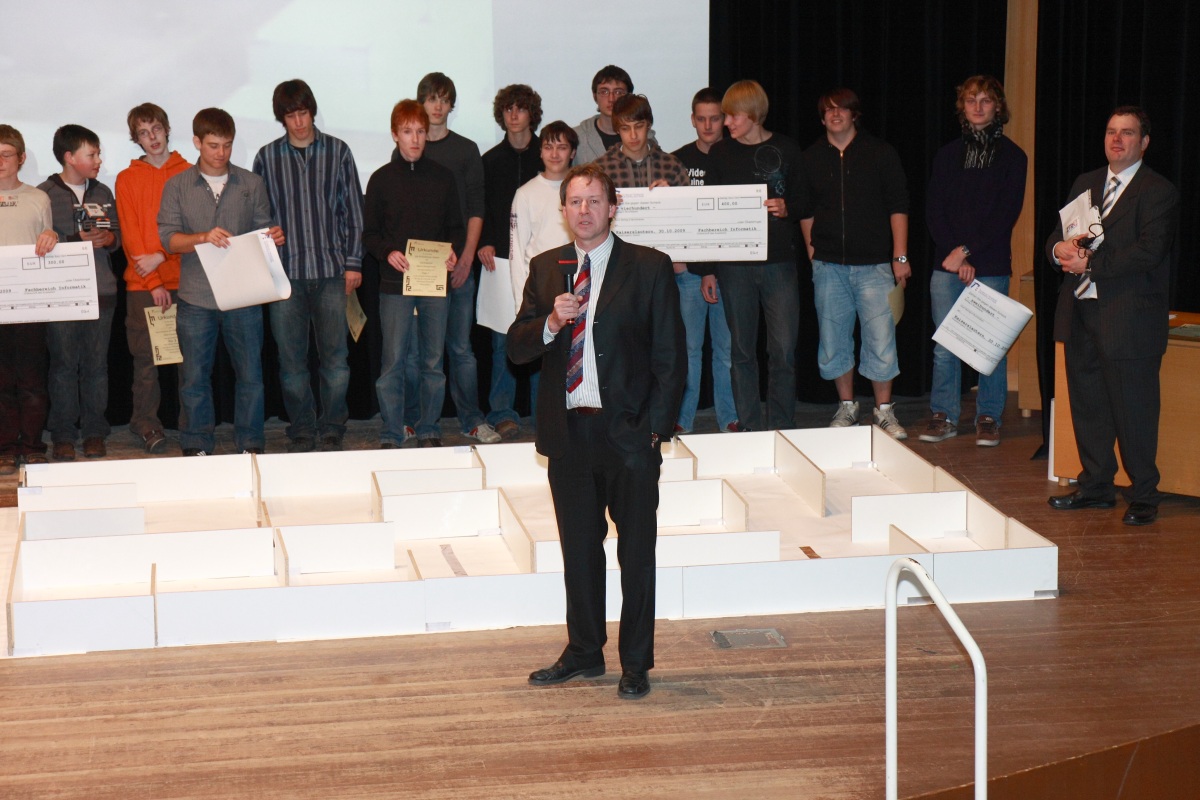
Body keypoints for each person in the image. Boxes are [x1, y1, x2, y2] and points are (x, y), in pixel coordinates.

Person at [508, 163, 685, 700]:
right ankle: (584, 652)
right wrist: (550, 323)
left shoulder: (649, 266)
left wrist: (653, 432)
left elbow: (671, 356)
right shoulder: (546, 267)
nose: (583, 211)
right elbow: (517, 347)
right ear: (563, 210)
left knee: (636, 555)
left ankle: (635, 662)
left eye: (593, 201)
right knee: (580, 554)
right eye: (574, 202)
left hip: (628, 435)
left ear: (613, 207)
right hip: (569, 435)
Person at [1046, 106, 1179, 527]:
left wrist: (1090, 264)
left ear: (1144, 142)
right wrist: (1058, 250)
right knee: (1089, 407)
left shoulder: (1158, 191)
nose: (1116, 139)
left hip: (1129, 320)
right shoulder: (1085, 183)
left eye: (1127, 133)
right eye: (1111, 132)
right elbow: (1060, 233)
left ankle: (1144, 495)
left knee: (1134, 411)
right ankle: (1096, 487)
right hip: (1081, 312)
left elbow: (1148, 252)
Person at [158, 108, 285, 456]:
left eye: (227, 145)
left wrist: (272, 237)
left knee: (251, 375)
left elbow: (262, 231)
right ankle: (196, 443)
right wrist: (202, 237)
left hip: (243, 295)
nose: (221, 153)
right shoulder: (177, 186)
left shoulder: (251, 183)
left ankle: (250, 443)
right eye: (213, 145)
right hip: (196, 297)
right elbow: (169, 240)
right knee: (194, 378)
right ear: (197, 142)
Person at [254, 79, 364, 454]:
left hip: (332, 271)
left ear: (312, 111)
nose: (299, 122)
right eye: (290, 116)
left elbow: (354, 212)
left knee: (336, 360)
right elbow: (258, 214)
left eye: (303, 113)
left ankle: (333, 425)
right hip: (285, 275)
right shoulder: (267, 157)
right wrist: (265, 231)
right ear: (281, 119)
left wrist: (354, 263)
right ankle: (301, 427)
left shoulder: (339, 151)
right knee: (291, 363)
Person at [920, 76, 1027, 447]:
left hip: (990, 262)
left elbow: (1005, 214)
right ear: (962, 107)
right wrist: (955, 252)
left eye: (985, 100)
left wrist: (967, 250)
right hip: (947, 263)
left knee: (989, 345)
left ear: (998, 107)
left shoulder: (1014, 157)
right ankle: (944, 415)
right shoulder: (947, 155)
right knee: (945, 345)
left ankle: (988, 417)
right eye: (971, 100)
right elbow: (934, 209)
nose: (978, 107)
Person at [800, 87, 911, 439]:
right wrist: (813, 254)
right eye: (828, 110)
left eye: (842, 109)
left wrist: (900, 256)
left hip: (876, 267)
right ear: (822, 118)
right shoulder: (811, 157)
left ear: (854, 114)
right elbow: (804, 210)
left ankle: (884, 410)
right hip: (829, 267)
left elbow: (898, 206)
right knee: (833, 341)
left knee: (881, 341)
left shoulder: (880, 152)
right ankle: (847, 406)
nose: (835, 114)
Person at [701, 80, 803, 432]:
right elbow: (709, 214)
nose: (726, 123)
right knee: (741, 352)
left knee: (783, 351)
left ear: (754, 114)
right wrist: (708, 269)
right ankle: (749, 426)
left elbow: (806, 200)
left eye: (733, 116)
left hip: (779, 264)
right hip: (734, 267)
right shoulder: (720, 154)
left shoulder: (787, 148)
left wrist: (788, 207)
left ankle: (781, 427)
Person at [363, 99, 463, 449]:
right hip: (394, 284)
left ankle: (428, 428)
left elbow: (456, 227)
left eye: (420, 131)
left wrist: (453, 251)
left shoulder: (443, 178)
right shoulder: (380, 179)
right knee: (393, 361)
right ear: (395, 135)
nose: (415, 139)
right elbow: (369, 234)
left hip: (434, 282)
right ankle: (392, 431)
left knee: (433, 361)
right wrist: (387, 252)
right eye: (407, 132)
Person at [409, 72, 499, 444]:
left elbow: (477, 209)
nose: (437, 106)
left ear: (451, 105)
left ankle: (471, 419)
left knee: (461, 349)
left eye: (444, 99)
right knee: (421, 353)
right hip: (421, 267)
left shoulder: (465, 149)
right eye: (431, 98)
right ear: (421, 102)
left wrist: (465, 259)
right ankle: (419, 422)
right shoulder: (411, 148)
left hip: (460, 263)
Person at [39, 125, 122, 461]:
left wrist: (108, 239)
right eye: (92, 154)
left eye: (99, 153)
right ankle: (62, 434)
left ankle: (93, 432)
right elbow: (38, 244)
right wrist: (76, 240)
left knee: (96, 367)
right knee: (63, 366)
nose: (99, 160)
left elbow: (117, 238)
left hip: (102, 290)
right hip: (61, 293)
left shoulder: (103, 191)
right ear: (69, 157)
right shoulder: (44, 194)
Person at [116, 103, 191, 455]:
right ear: (137, 139)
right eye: (144, 133)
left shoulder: (188, 173)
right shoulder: (127, 178)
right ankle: (147, 425)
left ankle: (193, 426)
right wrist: (154, 283)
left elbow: (193, 229)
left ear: (167, 129)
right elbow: (131, 237)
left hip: (187, 281)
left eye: (157, 129)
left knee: (190, 361)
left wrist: (165, 256)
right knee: (146, 361)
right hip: (144, 286)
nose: (152, 138)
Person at [478, 83, 544, 440]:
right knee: (502, 339)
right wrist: (485, 241)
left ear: (532, 114)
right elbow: (482, 208)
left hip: (541, 261)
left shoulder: (547, 156)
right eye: (508, 109)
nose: (514, 115)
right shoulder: (490, 161)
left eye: (520, 108)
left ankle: (542, 410)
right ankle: (502, 412)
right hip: (500, 262)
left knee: (543, 334)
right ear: (501, 115)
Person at [672, 88, 737, 434]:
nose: (708, 125)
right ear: (692, 120)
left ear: (725, 119)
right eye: (702, 119)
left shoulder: (736, 155)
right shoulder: (677, 159)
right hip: (688, 271)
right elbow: (669, 214)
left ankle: (729, 417)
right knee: (689, 349)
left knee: (726, 349)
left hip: (729, 270)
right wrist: (677, 260)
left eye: (714, 118)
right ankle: (683, 418)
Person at [0, 124, 57, 474]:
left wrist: (51, 237)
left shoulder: (38, 198)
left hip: (29, 304)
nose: (0, 161)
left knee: (32, 379)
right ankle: (6, 448)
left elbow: (48, 239)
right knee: (2, 381)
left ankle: (34, 446)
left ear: (21, 158)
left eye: (6, 154)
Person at [593, 94, 689, 188]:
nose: (633, 135)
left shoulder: (672, 166)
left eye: (639, 126)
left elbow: (688, 198)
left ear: (648, 125)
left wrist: (671, 195)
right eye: (625, 128)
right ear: (617, 130)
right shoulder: (601, 169)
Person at [572, 65, 654, 165]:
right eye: (604, 92)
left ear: (629, 96)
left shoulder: (645, 138)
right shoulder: (577, 138)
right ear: (595, 96)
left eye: (618, 92)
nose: (611, 99)